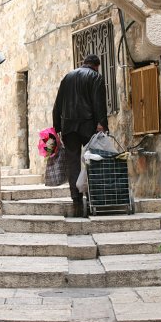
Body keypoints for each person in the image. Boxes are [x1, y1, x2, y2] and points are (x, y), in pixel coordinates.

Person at [52, 54, 108, 217]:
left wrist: (56, 127)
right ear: (96, 66)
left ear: (84, 63)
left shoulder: (67, 77)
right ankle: (92, 197)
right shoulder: (95, 77)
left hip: (68, 126)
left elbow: (58, 105)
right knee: (93, 160)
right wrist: (102, 124)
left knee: (73, 162)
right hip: (88, 125)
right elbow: (99, 103)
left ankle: (76, 200)